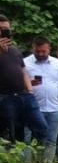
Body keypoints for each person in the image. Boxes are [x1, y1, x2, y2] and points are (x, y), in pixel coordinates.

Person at [0, 15, 48, 148]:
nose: (3, 32)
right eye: (1, 29)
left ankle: (37, 157)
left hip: (24, 94)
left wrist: (30, 90)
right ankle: (12, 158)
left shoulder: (15, 50)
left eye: (6, 29)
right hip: (5, 96)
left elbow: (23, 71)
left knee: (42, 128)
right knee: (10, 133)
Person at [23, 35, 58, 162]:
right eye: (37, 51)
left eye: (43, 51)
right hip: (32, 108)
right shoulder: (25, 63)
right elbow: (18, 84)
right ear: (33, 47)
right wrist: (28, 83)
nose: (40, 54)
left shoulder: (57, 63)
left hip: (53, 108)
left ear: (49, 48)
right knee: (28, 140)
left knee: (51, 140)